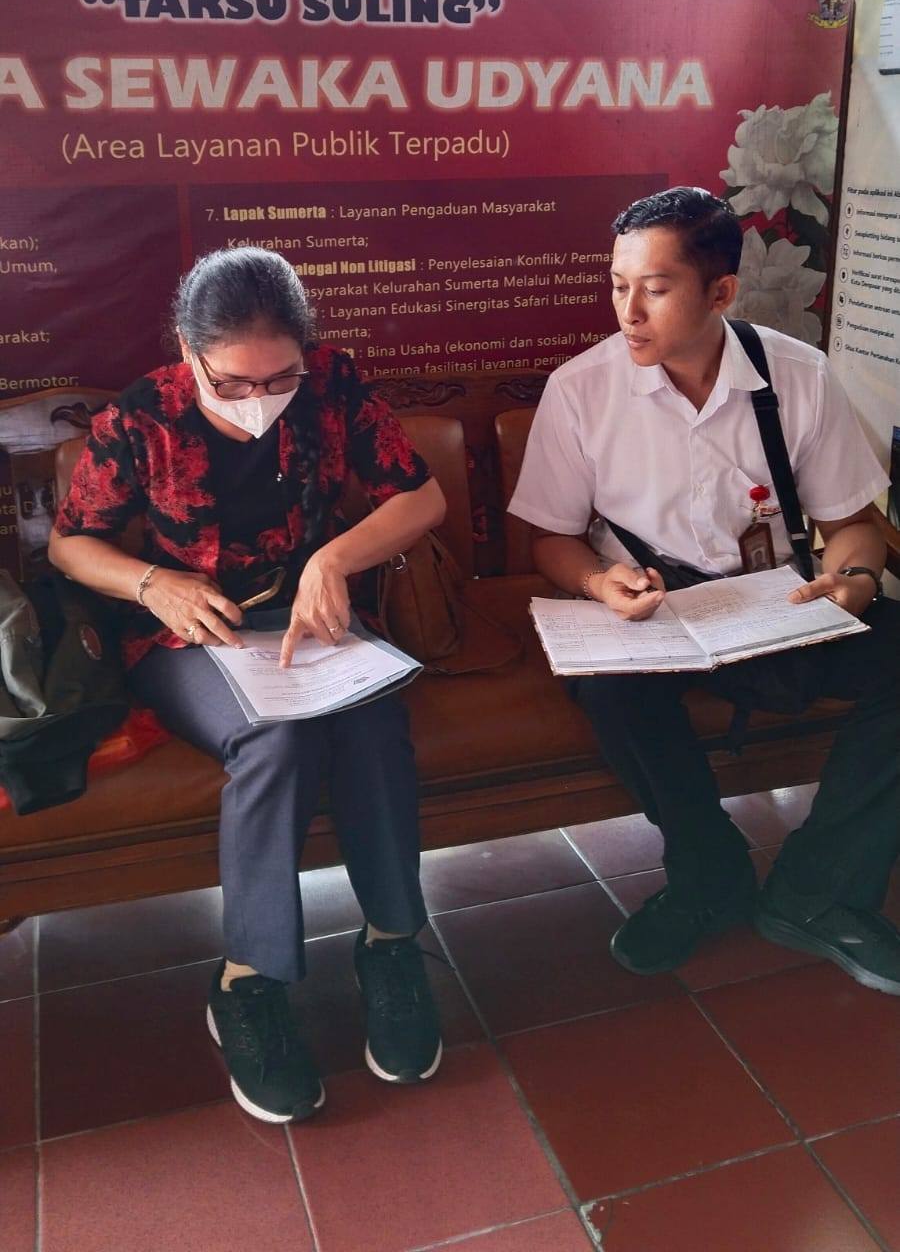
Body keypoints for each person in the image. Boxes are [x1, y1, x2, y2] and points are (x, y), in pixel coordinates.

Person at [49, 246, 448, 1121]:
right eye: (230, 383)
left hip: (311, 621)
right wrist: (154, 582)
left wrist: (334, 560)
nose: (258, 400)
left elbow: (421, 500)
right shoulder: (141, 418)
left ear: (307, 354)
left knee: (374, 721)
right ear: (188, 353)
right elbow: (71, 543)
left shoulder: (333, 385)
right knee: (276, 737)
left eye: (279, 379)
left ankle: (391, 944)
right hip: (188, 632)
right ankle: (248, 981)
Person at [509, 187, 900, 994]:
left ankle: (818, 891)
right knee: (610, 691)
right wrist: (598, 580)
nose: (628, 311)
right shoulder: (582, 390)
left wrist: (855, 581)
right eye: (618, 285)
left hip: (776, 608)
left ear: (721, 291)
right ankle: (709, 874)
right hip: (654, 617)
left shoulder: (796, 375)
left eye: (654, 288)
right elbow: (549, 537)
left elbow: (854, 525)